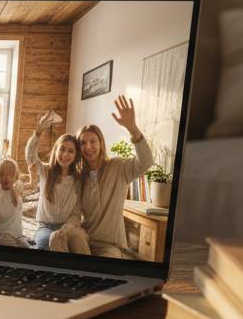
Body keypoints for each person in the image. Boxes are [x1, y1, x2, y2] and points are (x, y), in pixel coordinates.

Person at [76, 96, 154, 258]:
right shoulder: (77, 175)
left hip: (111, 246)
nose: (88, 147)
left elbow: (146, 162)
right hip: (82, 240)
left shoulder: (118, 167)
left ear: (101, 144)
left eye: (93, 141)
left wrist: (133, 129)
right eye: (83, 143)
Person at [25, 112, 88, 253]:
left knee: (75, 244)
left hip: (68, 226)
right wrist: (39, 131)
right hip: (45, 226)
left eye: (71, 151)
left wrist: (63, 231)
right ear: (56, 151)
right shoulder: (46, 171)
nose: (65, 155)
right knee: (45, 245)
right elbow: (30, 156)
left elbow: (76, 214)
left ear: (75, 155)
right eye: (62, 149)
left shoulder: (78, 180)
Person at [0, 159, 36, 247]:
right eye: (2, 174)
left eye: (9, 175)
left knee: (27, 250)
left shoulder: (17, 188)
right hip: (2, 233)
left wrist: (33, 172)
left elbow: (32, 186)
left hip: (18, 235)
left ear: (15, 177)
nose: (5, 178)